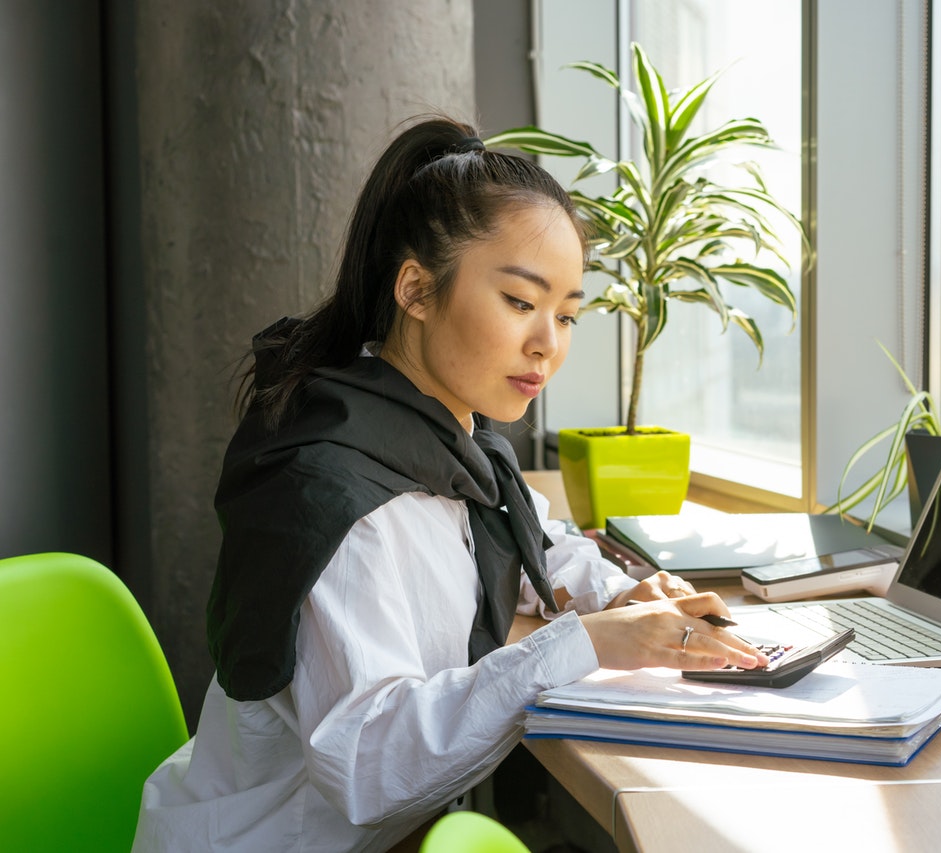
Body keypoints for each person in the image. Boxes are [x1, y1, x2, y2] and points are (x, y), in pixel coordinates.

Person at [131, 115, 767, 853]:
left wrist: (622, 594)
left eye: (566, 315)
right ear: (417, 290)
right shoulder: (343, 494)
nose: (547, 345)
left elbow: (533, 541)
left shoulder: (447, 437)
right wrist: (584, 642)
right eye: (521, 303)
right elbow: (369, 764)